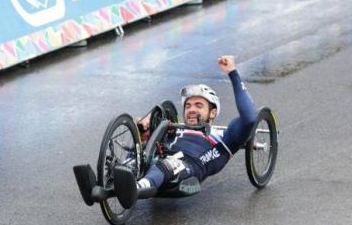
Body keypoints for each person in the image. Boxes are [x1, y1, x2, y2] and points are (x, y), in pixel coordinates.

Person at [75, 55, 258, 209]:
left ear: (213, 112)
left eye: (199, 105)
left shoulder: (223, 137)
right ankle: (99, 189)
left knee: (169, 164)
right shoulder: (175, 129)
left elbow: (250, 117)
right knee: (135, 157)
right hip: (158, 160)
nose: (192, 109)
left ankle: (136, 187)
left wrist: (233, 73)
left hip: (187, 169)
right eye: (188, 105)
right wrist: (145, 128)